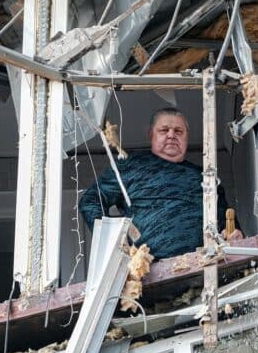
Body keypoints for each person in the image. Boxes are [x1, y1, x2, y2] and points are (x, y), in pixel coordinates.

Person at [79, 107, 242, 259]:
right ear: (151, 134)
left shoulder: (205, 178)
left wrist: (234, 234)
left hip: (202, 266)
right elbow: (91, 201)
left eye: (178, 131)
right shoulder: (130, 165)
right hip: (147, 270)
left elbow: (227, 223)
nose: (171, 135)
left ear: (187, 136)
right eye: (164, 130)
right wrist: (112, 239)